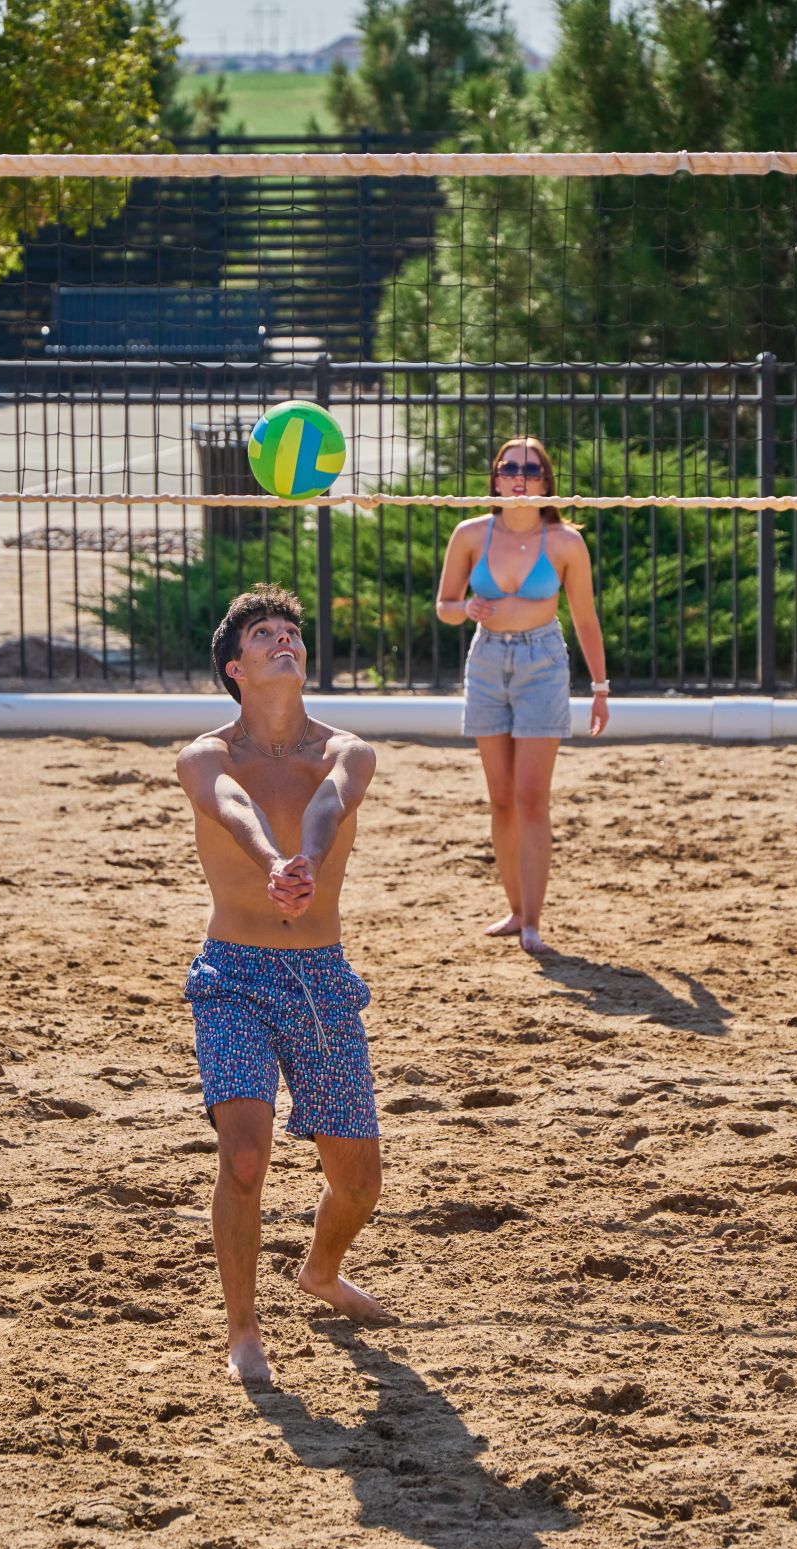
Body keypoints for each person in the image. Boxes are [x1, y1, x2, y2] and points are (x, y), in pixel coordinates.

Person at [176, 583, 387, 1386]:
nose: (283, 640)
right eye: (264, 633)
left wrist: (306, 859)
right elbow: (228, 804)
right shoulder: (205, 754)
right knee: (244, 1157)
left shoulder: (346, 749)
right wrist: (274, 865)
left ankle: (320, 1273)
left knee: (359, 1184)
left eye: (291, 631)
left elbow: (331, 805)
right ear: (236, 667)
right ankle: (243, 1332)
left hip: (321, 978)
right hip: (233, 973)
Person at [436, 436, 610, 955]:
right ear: (494, 477)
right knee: (502, 798)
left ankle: (532, 920)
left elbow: (584, 618)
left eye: (531, 469)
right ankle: (513, 911)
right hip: (487, 662)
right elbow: (445, 605)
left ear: (545, 482)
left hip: (542, 663)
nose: (518, 475)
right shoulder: (470, 533)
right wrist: (465, 609)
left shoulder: (564, 542)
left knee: (533, 798)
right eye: (508, 466)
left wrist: (600, 689)